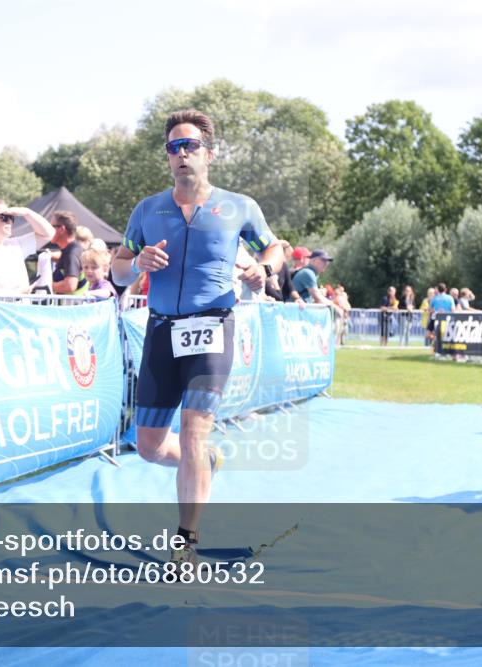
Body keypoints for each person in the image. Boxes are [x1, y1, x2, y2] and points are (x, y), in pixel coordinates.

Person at [110, 109, 285, 571]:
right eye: (173, 147)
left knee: (191, 433)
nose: (181, 154)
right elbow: (117, 269)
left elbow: (276, 247)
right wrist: (136, 265)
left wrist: (262, 269)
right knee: (148, 447)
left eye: (190, 146)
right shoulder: (147, 210)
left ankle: (185, 545)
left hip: (212, 329)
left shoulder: (238, 206)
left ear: (209, 154)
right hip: (162, 331)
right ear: (167, 157)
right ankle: (205, 460)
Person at [50, 211, 89, 295]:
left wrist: (45, 285)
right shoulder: (71, 250)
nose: (48, 230)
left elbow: (70, 286)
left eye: (51, 227)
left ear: (61, 229)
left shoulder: (71, 253)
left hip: (73, 307)